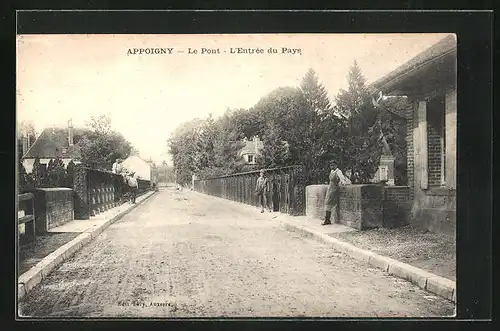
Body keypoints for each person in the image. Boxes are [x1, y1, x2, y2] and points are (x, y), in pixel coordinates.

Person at [322, 160, 342, 225]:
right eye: (331, 165)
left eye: (333, 165)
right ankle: (327, 219)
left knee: (329, 204)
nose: (331, 166)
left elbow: (342, 179)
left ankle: (327, 220)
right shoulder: (332, 171)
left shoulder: (338, 171)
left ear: (336, 165)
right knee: (328, 204)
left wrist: (342, 184)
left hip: (334, 190)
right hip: (330, 188)